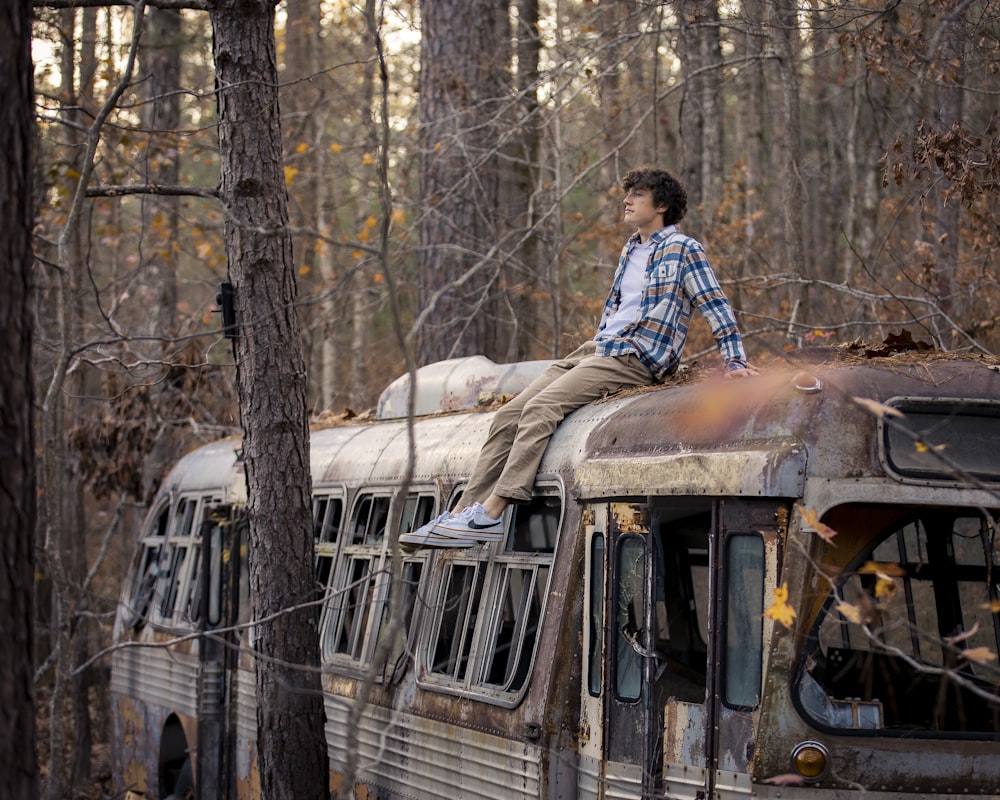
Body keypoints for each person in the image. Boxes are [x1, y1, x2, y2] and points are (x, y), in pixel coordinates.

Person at [400, 166, 756, 547]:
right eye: (628, 193)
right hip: (600, 348)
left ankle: (493, 512)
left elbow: (715, 305)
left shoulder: (684, 249)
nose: (627, 200)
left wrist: (734, 361)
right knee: (508, 415)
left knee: (542, 409)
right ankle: (459, 517)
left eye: (637, 194)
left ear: (662, 205)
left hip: (635, 356)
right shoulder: (631, 249)